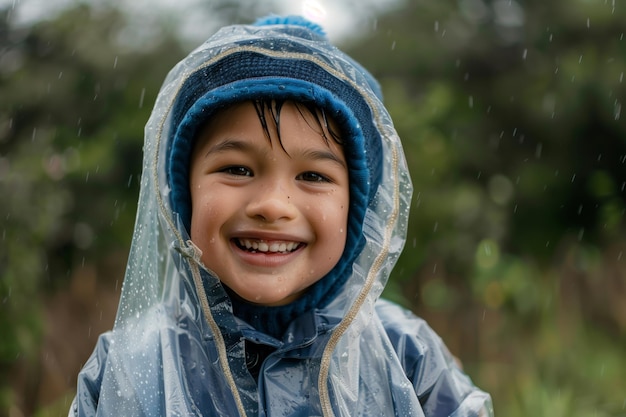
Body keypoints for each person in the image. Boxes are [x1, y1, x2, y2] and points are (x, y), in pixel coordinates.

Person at [71, 15, 494, 417]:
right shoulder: (132, 365)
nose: (273, 205)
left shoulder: (407, 355)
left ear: (360, 207)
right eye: (237, 169)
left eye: (312, 175)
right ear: (183, 194)